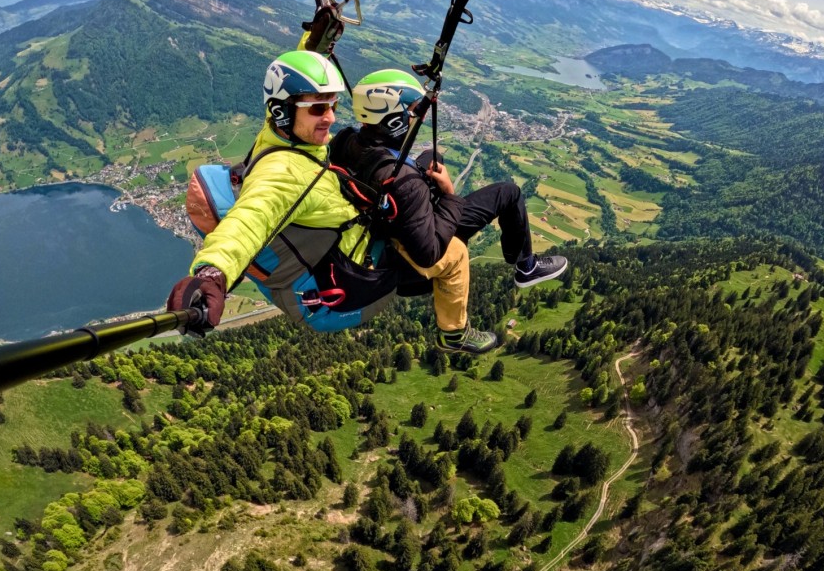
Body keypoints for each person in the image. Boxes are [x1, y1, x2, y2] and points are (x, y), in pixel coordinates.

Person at [329, 69, 568, 353]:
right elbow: (429, 253)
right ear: (394, 119)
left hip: (385, 220)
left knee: (434, 157)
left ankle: (526, 266)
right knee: (508, 194)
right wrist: (449, 194)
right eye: (412, 111)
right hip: (406, 256)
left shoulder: (345, 141)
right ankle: (457, 332)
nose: (415, 118)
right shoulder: (405, 183)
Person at [166, 50, 379, 331]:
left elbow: (286, 80)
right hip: (347, 286)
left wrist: (318, 36)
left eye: (333, 106)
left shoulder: (277, 136)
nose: (330, 118)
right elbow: (249, 221)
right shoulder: (283, 174)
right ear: (282, 111)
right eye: (317, 108)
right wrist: (211, 275)